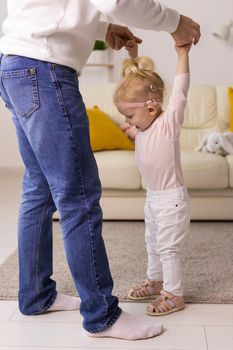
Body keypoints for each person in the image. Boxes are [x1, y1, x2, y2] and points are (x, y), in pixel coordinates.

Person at [0, 0, 200, 340]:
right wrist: (175, 21)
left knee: (39, 187)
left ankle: (36, 296)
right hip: (45, 69)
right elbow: (116, 1)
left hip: (15, 63)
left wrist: (101, 28)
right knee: (78, 196)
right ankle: (102, 315)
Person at [114, 43, 192, 316]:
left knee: (168, 248)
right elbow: (137, 133)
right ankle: (156, 280)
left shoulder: (167, 125)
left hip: (172, 200)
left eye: (129, 115)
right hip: (153, 197)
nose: (127, 121)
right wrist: (132, 56)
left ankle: (174, 294)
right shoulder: (142, 129)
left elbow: (180, 92)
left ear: (151, 107)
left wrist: (183, 54)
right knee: (153, 243)